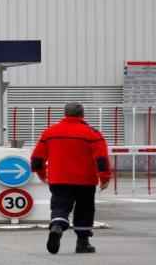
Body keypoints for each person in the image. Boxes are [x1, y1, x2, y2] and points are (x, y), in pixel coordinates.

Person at [30, 102, 111, 255]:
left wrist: (41, 173)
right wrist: (105, 177)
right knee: (84, 209)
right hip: (85, 181)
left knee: (59, 205)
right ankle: (83, 243)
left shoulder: (50, 132)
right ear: (82, 114)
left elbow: (37, 158)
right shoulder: (92, 133)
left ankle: (57, 226)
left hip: (59, 179)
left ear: (65, 114)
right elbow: (101, 158)